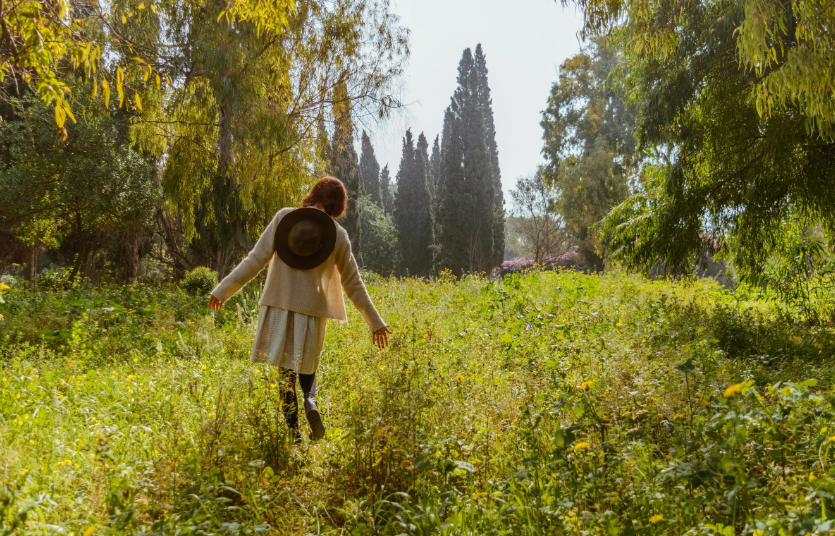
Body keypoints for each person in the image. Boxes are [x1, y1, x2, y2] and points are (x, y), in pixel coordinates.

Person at [208, 176, 391, 442]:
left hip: (280, 306)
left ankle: (294, 437)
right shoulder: (338, 235)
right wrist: (375, 322)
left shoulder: (285, 218)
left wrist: (222, 290)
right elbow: (353, 282)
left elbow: (256, 259)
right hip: (312, 313)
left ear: (313, 194)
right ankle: (311, 400)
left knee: (285, 374)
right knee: (307, 368)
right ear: (338, 205)